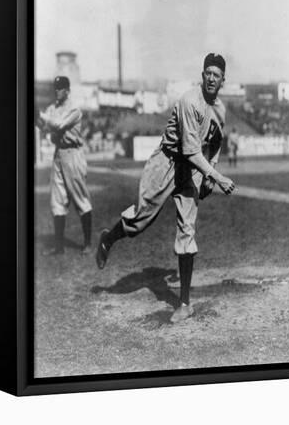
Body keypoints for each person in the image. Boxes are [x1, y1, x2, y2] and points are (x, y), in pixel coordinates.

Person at [95, 53, 235, 323]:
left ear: (223, 80)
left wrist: (208, 173)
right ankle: (108, 238)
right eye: (208, 72)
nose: (211, 78)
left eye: (216, 75)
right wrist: (217, 176)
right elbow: (192, 151)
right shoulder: (188, 101)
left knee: (187, 230)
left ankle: (184, 304)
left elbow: (215, 142)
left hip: (191, 170)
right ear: (202, 74)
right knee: (140, 220)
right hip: (167, 161)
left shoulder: (221, 109)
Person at [36, 76, 93, 255]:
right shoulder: (53, 108)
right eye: (55, 87)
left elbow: (59, 125)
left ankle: (88, 244)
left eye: (60, 88)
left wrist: (42, 116)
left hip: (74, 154)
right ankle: (59, 247)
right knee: (57, 200)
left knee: (81, 199)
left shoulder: (74, 108)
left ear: (67, 90)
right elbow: (45, 128)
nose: (56, 91)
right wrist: (35, 119)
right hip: (59, 154)